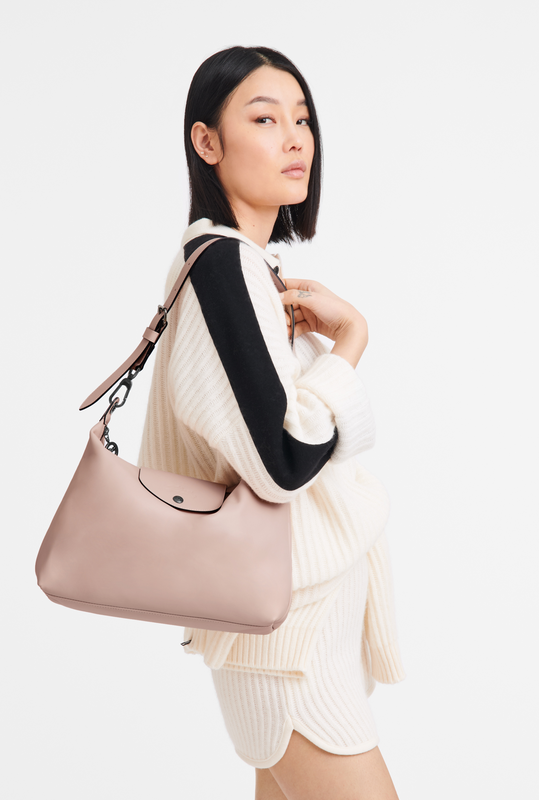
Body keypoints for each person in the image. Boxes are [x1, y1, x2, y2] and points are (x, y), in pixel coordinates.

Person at [138, 46, 405, 800]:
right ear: (207, 142)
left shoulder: (249, 268)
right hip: (290, 639)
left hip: (295, 626)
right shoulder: (221, 267)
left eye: (303, 120)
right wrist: (350, 340)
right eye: (264, 119)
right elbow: (284, 461)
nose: (294, 139)